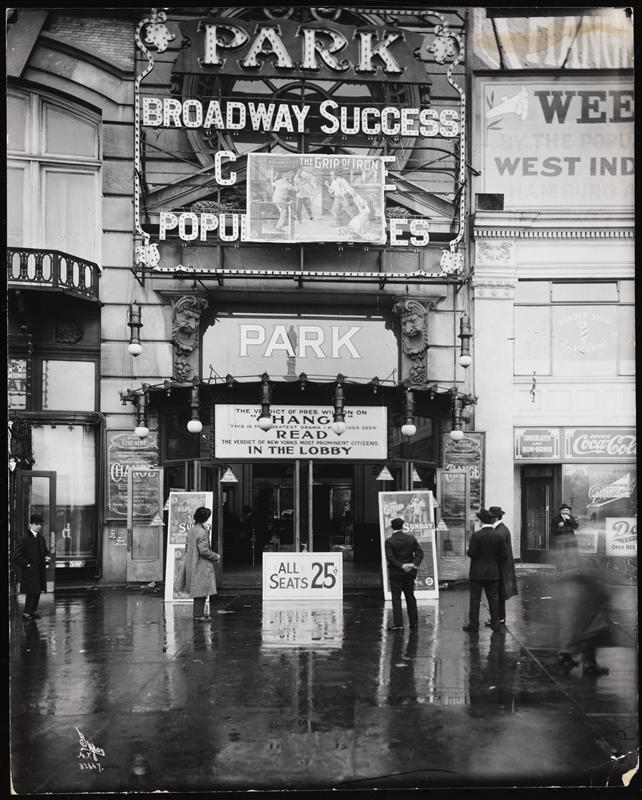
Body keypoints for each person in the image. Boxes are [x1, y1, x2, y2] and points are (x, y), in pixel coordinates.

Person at [557, 566, 611, 676]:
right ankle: (589, 664)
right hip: (586, 610)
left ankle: (565, 655)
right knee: (590, 634)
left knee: (574, 632)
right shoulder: (589, 581)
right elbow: (602, 596)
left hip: (576, 608)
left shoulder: (575, 583)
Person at [463, 509, 508, 633]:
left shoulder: (477, 535)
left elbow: (471, 553)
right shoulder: (498, 535)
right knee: (493, 598)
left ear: (481, 521)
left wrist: (469, 549)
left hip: (477, 573)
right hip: (493, 572)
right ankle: (495, 624)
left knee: (475, 599)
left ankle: (473, 625)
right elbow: (504, 554)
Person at [384, 517, 424, 632]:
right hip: (409, 574)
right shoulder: (411, 539)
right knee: (410, 597)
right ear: (403, 526)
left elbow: (390, 558)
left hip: (396, 573)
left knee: (396, 599)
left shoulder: (389, 541)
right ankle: (414, 623)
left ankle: (398, 624)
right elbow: (419, 553)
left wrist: (402, 566)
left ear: (392, 527)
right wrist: (412, 564)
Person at [184, 507, 220, 621]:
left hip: (192, 562)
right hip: (201, 564)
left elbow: (187, 547)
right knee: (202, 590)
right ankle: (198, 615)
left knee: (199, 590)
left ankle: (198, 614)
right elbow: (203, 550)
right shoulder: (202, 532)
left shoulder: (192, 530)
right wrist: (216, 556)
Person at [12, 513, 50, 620]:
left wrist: (47, 557)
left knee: (37, 591)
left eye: (40, 524)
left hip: (39, 570)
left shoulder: (41, 538)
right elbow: (16, 556)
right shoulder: (24, 539)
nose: (39, 526)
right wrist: (27, 564)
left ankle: (32, 611)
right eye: (36, 524)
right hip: (29, 571)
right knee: (31, 592)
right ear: (30, 524)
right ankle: (26, 613)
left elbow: (45, 551)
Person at [488, 505, 518, 625]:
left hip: (501, 567)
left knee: (498, 594)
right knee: (500, 594)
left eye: (490, 517)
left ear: (494, 518)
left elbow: (502, 553)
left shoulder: (499, 531)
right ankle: (500, 618)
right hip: (503, 566)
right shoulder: (502, 529)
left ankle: (499, 618)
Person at [550, 503, 579, 571]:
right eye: (564, 510)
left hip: (570, 541)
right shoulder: (556, 519)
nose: (566, 511)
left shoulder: (571, 518)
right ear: (561, 511)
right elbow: (553, 531)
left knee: (571, 556)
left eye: (567, 510)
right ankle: (560, 571)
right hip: (560, 541)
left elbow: (576, 526)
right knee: (560, 557)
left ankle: (570, 572)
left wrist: (569, 519)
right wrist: (559, 526)